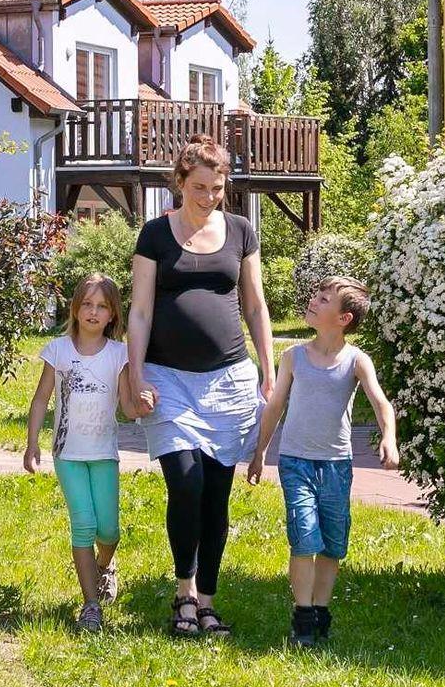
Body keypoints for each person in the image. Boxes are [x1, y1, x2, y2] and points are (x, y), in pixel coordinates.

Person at [126, 139, 276, 639]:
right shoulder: (155, 234)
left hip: (229, 380)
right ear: (180, 182)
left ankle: (206, 602)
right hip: (168, 379)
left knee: (216, 492)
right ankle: (183, 592)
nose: (209, 197)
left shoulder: (241, 231)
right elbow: (140, 310)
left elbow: (255, 305)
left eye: (217, 188)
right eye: (199, 188)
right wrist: (136, 372)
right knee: (185, 482)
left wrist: (269, 370)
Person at [248, 277, 400, 649]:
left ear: (344, 318)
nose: (313, 301)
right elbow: (275, 406)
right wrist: (259, 452)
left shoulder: (356, 360)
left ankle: (320, 610)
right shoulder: (294, 357)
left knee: (332, 543)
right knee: (303, 537)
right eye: (316, 296)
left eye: (324, 299)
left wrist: (389, 438)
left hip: (336, 465)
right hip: (296, 461)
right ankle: (302, 617)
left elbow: (381, 403)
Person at [24, 273, 139, 632]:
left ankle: (104, 566)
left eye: (102, 306)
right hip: (68, 454)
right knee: (84, 525)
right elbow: (41, 399)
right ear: (74, 308)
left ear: (112, 314)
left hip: (104, 453)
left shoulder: (119, 354)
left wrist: (144, 403)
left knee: (109, 530)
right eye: (87, 304)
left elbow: (128, 407)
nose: (93, 311)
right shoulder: (58, 350)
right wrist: (32, 442)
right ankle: (91, 605)